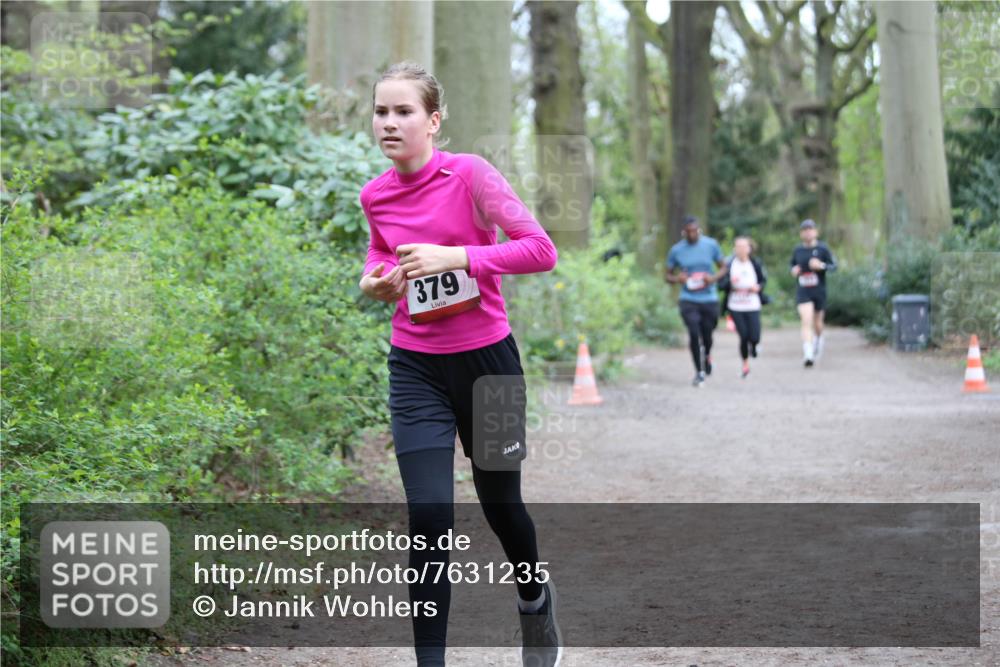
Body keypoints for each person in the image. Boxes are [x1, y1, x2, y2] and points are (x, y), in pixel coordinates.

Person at [358, 62, 562, 667]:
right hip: (416, 368)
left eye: (403, 112)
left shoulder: (470, 175)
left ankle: (533, 598)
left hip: (490, 368)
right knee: (428, 518)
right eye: (380, 111)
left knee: (503, 508)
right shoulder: (375, 194)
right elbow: (378, 250)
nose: (389, 123)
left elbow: (540, 250)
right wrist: (374, 281)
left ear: (434, 120)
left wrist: (459, 257)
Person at [665, 215, 727, 387]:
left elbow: (723, 267)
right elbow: (667, 275)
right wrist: (678, 279)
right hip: (688, 298)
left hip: (709, 297)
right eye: (689, 232)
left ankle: (707, 355)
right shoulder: (676, 250)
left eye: (695, 231)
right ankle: (699, 372)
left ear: (699, 230)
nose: (692, 234)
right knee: (693, 332)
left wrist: (712, 278)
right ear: (683, 232)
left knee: (707, 334)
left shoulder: (711, 245)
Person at [789, 219, 837, 367]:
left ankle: (818, 338)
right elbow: (791, 265)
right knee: (806, 320)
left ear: (815, 232)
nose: (808, 232)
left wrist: (821, 266)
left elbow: (834, 267)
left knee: (817, 323)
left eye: (810, 229)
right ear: (801, 233)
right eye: (805, 230)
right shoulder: (798, 250)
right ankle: (808, 353)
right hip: (803, 291)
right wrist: (793, 270)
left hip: (819, 291)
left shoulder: (823, 249)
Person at [719, 236, 767, 378]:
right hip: (735, 306)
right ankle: (745, 365)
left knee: (755, 335)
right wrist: (730, 284)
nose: (740, 249)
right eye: (738, 246)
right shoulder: (729, 264)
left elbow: (763, 281)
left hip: (752, 304)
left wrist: (758, 287)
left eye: (743, 246)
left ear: (749, 248)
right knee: (743, 335)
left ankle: (754, 346)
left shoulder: (755, 264)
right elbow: (721, 284)